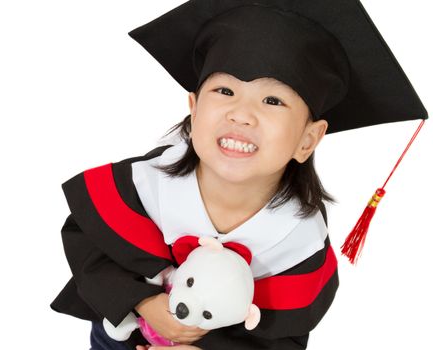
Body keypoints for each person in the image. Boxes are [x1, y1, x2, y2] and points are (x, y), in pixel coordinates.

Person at [50, 0, 428, 349]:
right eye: (225, 89)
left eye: (273, 100)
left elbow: (284, 338)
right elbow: (91, 248)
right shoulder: (147, 184)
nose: (241, 114)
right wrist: (145, 303)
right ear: (194, 110)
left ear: (308, 139)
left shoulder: (298, 242)